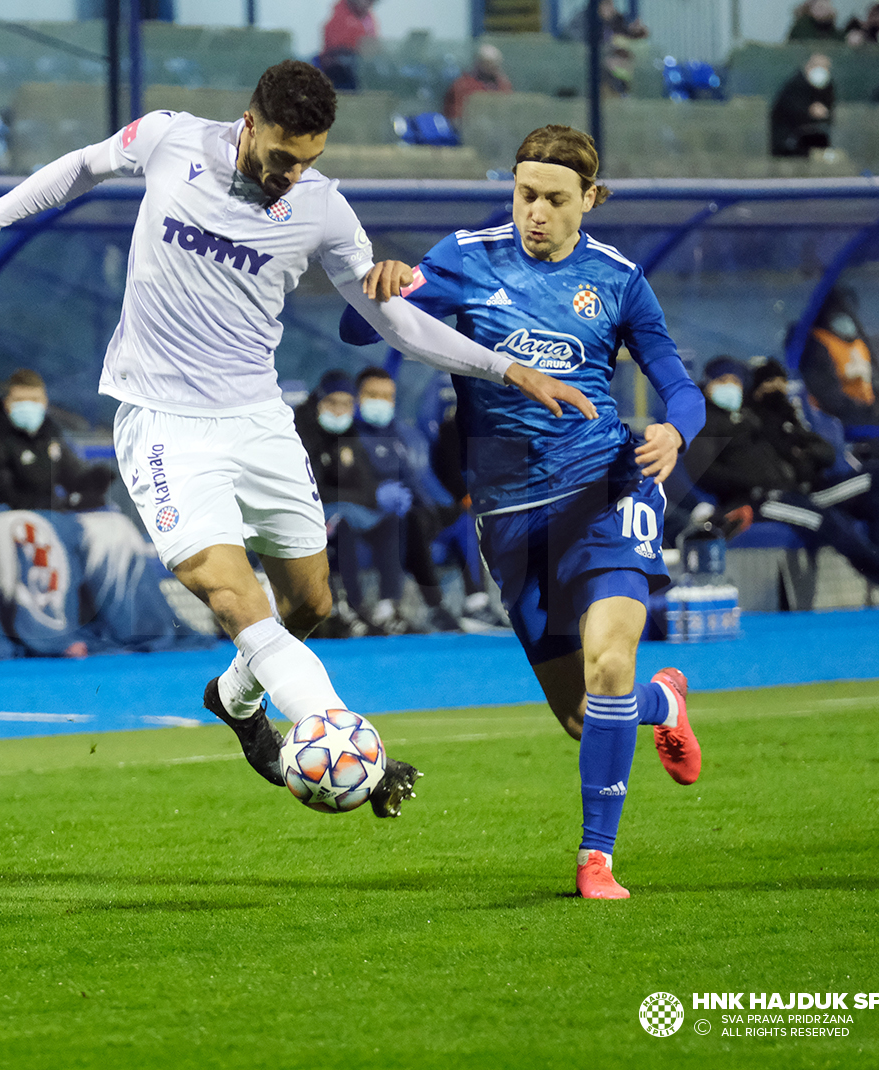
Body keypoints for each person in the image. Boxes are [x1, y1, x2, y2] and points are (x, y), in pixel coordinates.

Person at [0, 61, 594, 819]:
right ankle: (338, 733)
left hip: (257, 420)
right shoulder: (168, 140)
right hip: (163, 423)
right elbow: (82, 166)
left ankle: (234, 695)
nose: (293, 174)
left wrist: (507, 369)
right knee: (230, 592)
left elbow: (392, 321)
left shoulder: (322, 209)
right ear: (250, 126)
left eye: (309, 160)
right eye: (283, 156)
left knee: (310, 602)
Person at [341, 124, 706, 896]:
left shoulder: (617, 279)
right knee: (582, 713)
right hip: (509, 514)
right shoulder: (464, 260)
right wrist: (385, 280)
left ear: (590, 200)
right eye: (524, 194)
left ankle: (595, 858)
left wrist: (676, 427)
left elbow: (677, 380)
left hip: (607, 485)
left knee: (610, 660)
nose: (534, 212)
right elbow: (356, 327)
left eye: (553, 199)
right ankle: (664, 701)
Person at [688, 357, 879, 607]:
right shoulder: (701, 421)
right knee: (823, 520)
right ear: (707, 383)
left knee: (877, 497)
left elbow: (814, 452)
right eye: (722, 381)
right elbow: (707, 474)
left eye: (735, 381)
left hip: (789, 492)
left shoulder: (748, 417)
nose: (730, 387)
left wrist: (799, 461)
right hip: (758, 501)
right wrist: (756, 485)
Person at [349, 365, 468, 632]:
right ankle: (432, 606)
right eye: (372, 395)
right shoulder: (348, 437)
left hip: (413, 513)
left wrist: (433, 509)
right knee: (411, 524)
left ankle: (476, 602)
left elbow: (415, 485)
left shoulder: (398, 436)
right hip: (373, 519)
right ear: (357, 398)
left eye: (387, 396)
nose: (380, 402)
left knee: (460, 517)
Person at [295, 370, 406, 635]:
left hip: (347, 509)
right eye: (332, 403)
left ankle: (387, 607)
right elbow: (315, 488)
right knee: (341, 524)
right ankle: (351, 608)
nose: (339, 410)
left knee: (391, 523)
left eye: (346, 403)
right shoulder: (301, 434)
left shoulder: (349, 433)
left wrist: (374, 495)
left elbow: (364, 482)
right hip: (311, 516)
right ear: (319, 402)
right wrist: (361, 498)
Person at [0, 369, 114, 514]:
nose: (27, 406)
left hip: (50, 514)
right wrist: (56, 506)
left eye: (34, 400)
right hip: (11, 518)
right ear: (6, 403)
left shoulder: (49, 433)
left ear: (45, 402)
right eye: (20, 400)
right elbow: (1, 496)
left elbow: (73, 476)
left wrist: (96, 480)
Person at [797, 288, 879, 429]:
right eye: (839, 310)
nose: (847, 316)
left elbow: (875, 380)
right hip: (833, 421)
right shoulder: (816, 345)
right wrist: (862, 411)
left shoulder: (859, 343)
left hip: (865, 414)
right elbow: (827, 393)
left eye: (849, 311)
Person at [771, 53, 835, 157]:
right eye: (817, 65)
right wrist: (809, 110)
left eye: (825, 67)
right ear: (808, 66)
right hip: (788, 141)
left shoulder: (828, 86)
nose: (822, 70)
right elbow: (789, 110)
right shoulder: (795, 84)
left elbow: (829, 113)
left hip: (814, 140)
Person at [443, 44, 513, 123]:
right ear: (479, 63)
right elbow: (456, 117)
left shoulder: (503, 84)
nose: (495, 67)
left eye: (497, 63)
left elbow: (509, 109)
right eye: (489, 63)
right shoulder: (463, 85)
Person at [319, 0, 380, 91]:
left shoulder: (369, 19)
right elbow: (336, 44)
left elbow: (374, 45)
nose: (369, 3)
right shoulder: (339, 15)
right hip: (340, 68)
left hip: (360, 66)